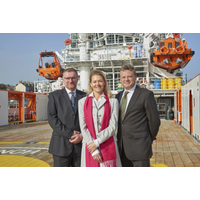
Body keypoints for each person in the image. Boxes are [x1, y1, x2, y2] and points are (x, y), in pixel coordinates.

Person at [116, 65, 160, 167]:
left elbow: (154, 121)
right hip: (122, 149)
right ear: (120, 79)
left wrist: (148, 139)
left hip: (140, 148)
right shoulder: (118, 96)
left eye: (129, 76)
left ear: (135, 77)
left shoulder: (146, 94)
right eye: (123, 77)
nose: (126, 79)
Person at [78, 70, 121, 167]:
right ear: (90, 84)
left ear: (105, 82)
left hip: (108, 144)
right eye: (94, 81)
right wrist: (93, 148)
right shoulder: (82, 102)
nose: (97, 84)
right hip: (89, 146)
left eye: (100, 81)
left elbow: (113, 126)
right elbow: (83, 126)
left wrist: (96, 142)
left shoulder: (113, 101)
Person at [48, 68, 86, 167]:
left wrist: (82, 135)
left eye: (73, 78)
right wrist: (70, 133)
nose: (70, 81)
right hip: (60, 146)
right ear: (63, 79)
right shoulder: (54, 96)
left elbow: (89, 119)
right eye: (67, 78)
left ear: (77, 79)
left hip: (80, 146)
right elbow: (52, 118)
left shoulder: (85, 96)